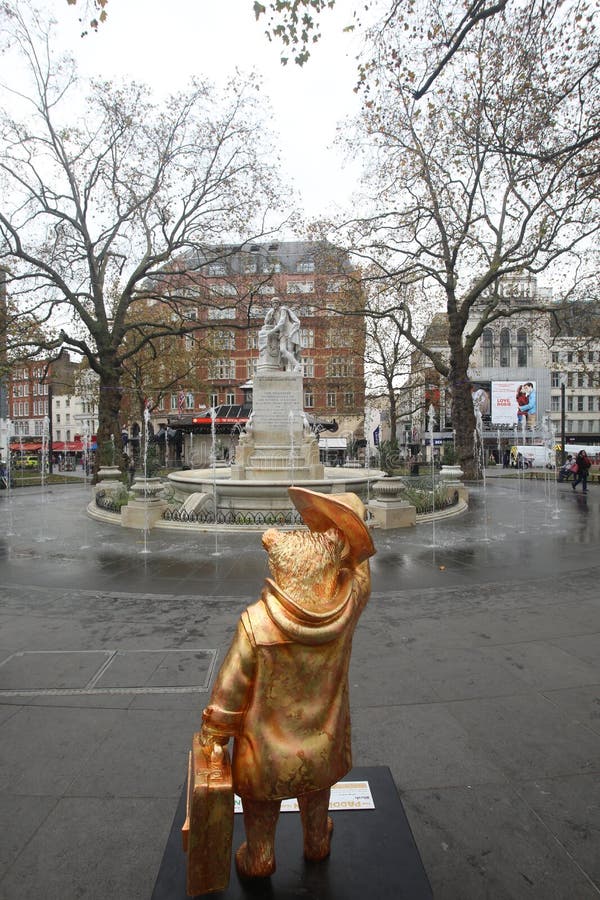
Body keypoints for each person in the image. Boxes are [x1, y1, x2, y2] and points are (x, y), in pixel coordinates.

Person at [198, 487, 375, 879]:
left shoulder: (256, 622)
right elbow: (361, 567)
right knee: (317, 794)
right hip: (322, 746)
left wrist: (213, 737)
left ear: (281, 572)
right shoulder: (346, 609)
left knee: (262, 805)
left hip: (264, 756)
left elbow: (229, 692)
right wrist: (347, 521)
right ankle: (316, 841)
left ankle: (260, 856)